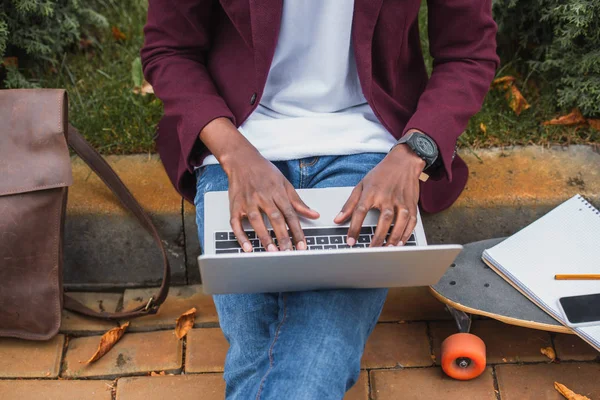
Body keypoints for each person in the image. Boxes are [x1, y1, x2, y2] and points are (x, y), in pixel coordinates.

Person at [141, 0, 498, 398]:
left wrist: (413, 152)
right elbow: (169, 49)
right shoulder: (235, 150)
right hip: (237, 140)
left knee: (292, 349)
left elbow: (468, 53)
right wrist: (234, 154)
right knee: (307, 353)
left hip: (369, 147)